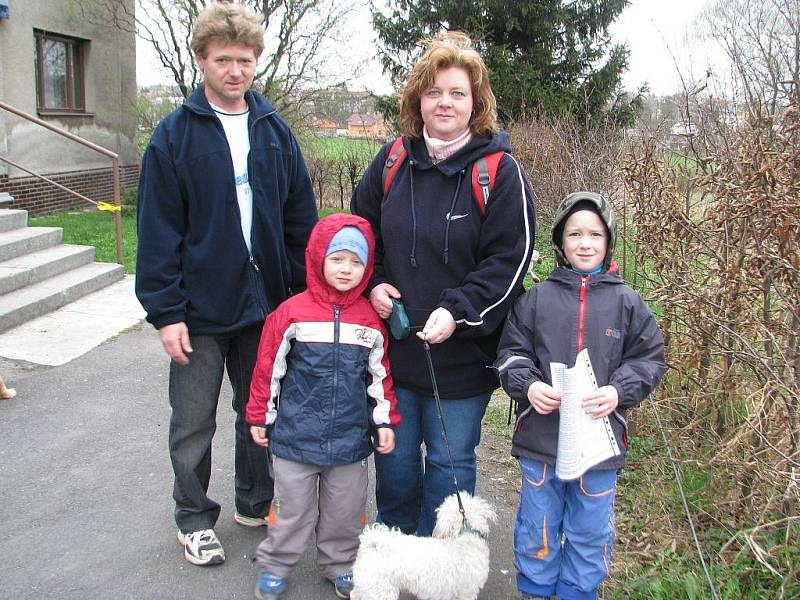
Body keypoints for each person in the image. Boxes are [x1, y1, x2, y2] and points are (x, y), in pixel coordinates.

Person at [135, 2, 318, 567]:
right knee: (192, 419)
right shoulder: (174, 137)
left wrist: (303, 296)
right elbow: (157, 230)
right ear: (201, 61)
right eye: (223, 60)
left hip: (265, 305)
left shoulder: (272, 130)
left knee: (259, 410)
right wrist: (166, 312)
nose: (235, 70)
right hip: (198, 308)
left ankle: (254, 499)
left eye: (244, 60)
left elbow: (300, 221)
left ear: (256, 62)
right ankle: (193, 517)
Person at [350, 31, 536, 537]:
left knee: (449, 475)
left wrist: (456, 310)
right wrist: (375, 284)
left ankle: (444, 571)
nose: (445, 102)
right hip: (394, 353)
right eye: (434, 92)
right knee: (395, 467)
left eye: (457, 92)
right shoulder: (391, 162)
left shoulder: (499, 173)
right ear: (417, 100)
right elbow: (359, 238)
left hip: (462, 362)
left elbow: (508, 262)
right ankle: (394, 564)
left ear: (476, 103)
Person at [494, 192, 667, 600]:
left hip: (599, 446)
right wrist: (529, 385)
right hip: (542, 442)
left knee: (590, 531)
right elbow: (510, 355)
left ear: (609, 241)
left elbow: (649, 360)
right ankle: (535, 591)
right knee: (537, 526)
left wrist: (617, 390)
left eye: (594, 234)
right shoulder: (536, 299)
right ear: (560, 241)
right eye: (574, 234)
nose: (584, 243)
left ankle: (578, 592)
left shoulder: (628, 302)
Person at [245, 213, 398, 600]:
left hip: (348, 442)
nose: (346, 269)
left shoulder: (369, 323)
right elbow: (268, 369)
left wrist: (384, 422)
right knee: (290, 511)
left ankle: (341, 564)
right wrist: (261, 415)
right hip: (295, 438)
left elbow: (379, 379)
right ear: (317, 259)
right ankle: (276, 565)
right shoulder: (291, 314)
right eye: (337, 259)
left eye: (356, 262)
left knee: (344, 513)